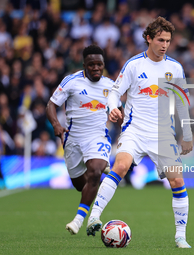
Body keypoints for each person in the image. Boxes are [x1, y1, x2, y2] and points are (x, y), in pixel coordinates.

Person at [86, 17, 193, 248]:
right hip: (134, 130)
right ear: (148, 39)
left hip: (163, 134)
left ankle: (180, 236)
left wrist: (188, 134)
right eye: (160, 40)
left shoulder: (174, 68)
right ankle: (94, 216)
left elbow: (183, 102)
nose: (165, 45)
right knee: (120, 167)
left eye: (168, 41)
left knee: (177, 180)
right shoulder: (134, 65)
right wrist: (113, 108)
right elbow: (115, 92)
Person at [46, 44, 121, 235]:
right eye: (91, 64)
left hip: (97, 136)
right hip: (72, 141)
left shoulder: (110, 86)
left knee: (95, 172)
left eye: (99, 64)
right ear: (84, 65)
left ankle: (80, 220)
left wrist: (118, 119)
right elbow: (51, 105)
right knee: (83, 185)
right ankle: (99, 169)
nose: (96, 68)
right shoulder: (71, 81)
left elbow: (119, 111)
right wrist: (56, 124)